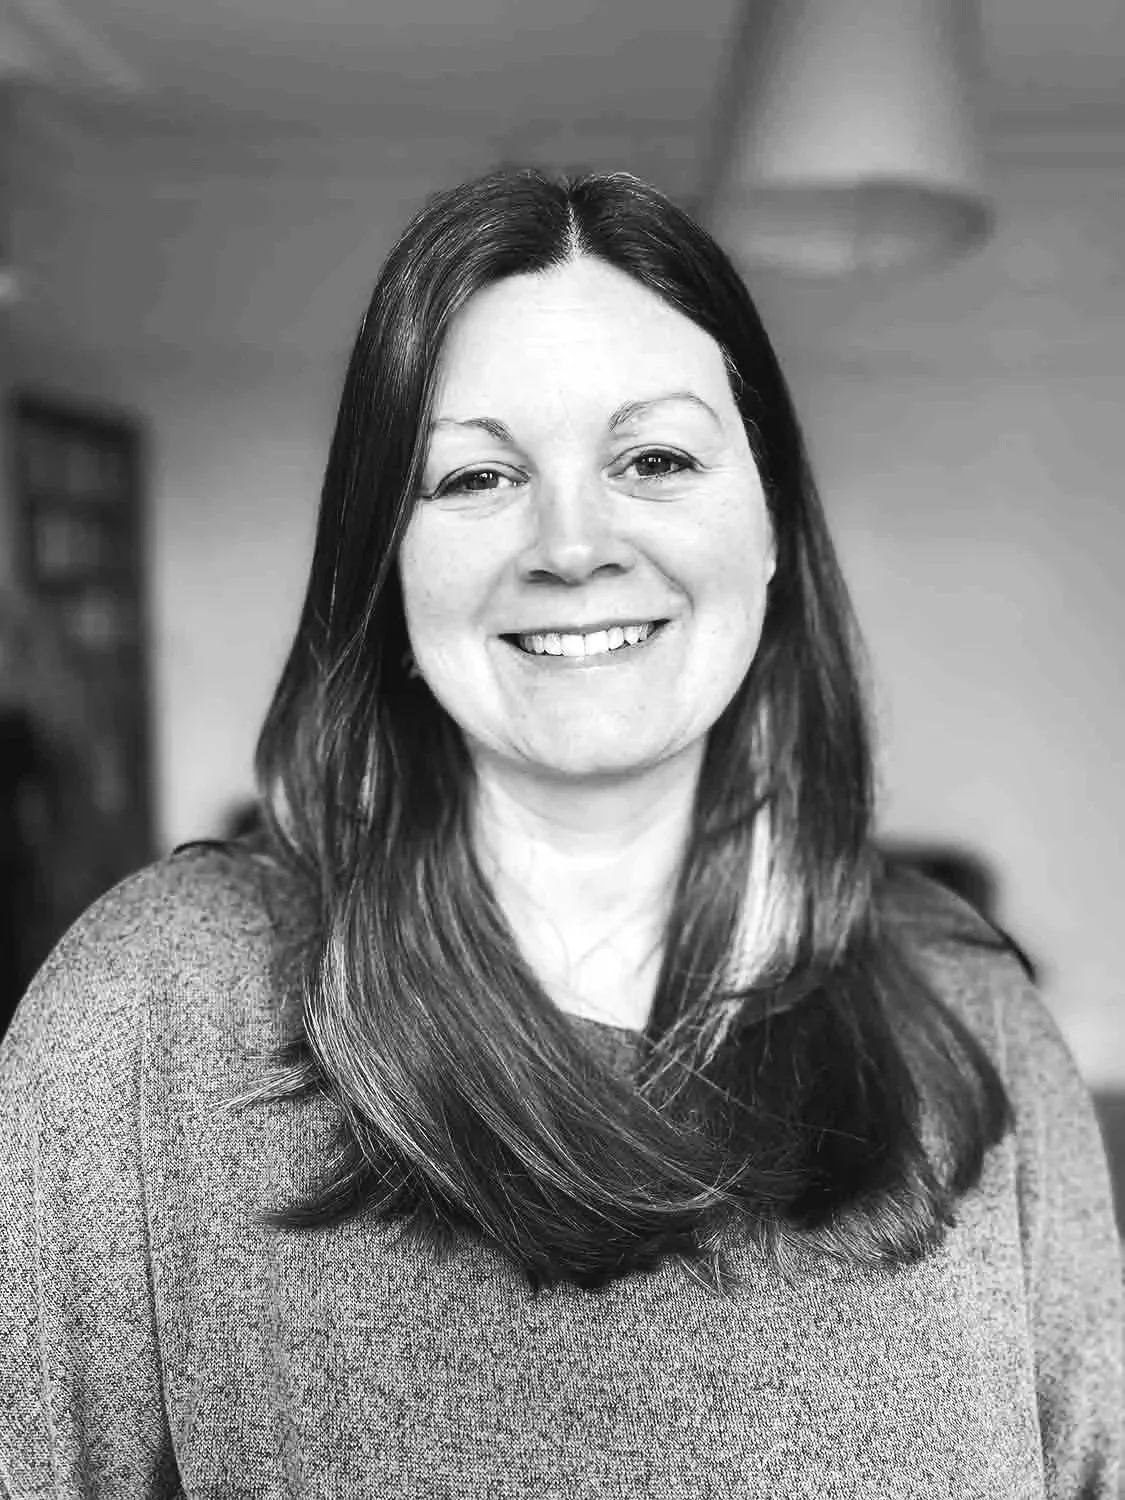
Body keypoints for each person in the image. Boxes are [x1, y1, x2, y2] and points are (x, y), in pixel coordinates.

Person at [0, 167, 1120, 1499]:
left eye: (655, 458)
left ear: (771, 527)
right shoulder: (148, 1013)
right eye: (476, 475)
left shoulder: (977, 1019)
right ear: (385, 560)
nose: (572, 543)